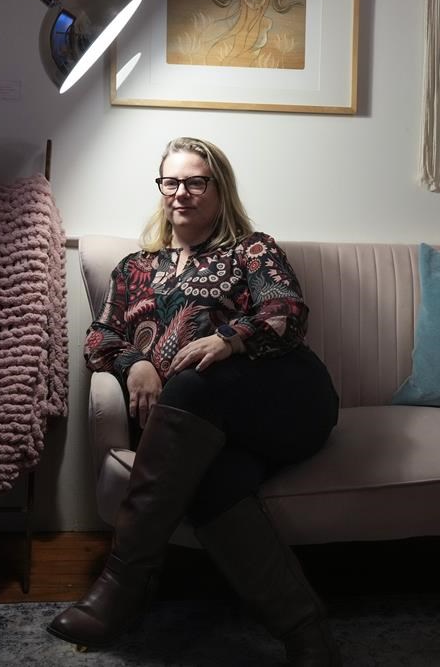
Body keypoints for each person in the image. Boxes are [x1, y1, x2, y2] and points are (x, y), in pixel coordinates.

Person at [47, 137, 341, 665]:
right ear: (160, 189)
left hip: (286, 397)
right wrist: (133, 363)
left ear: (218, 188)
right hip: (202, 426)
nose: (182, 192)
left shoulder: (250, 249)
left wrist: (230, 339)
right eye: (171, 182)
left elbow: (287, 311)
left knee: (193, 380)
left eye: (196, 181)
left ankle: (122, 585)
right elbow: (99, 338)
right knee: (214, 480)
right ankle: (306, 632)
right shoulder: (134, 268)